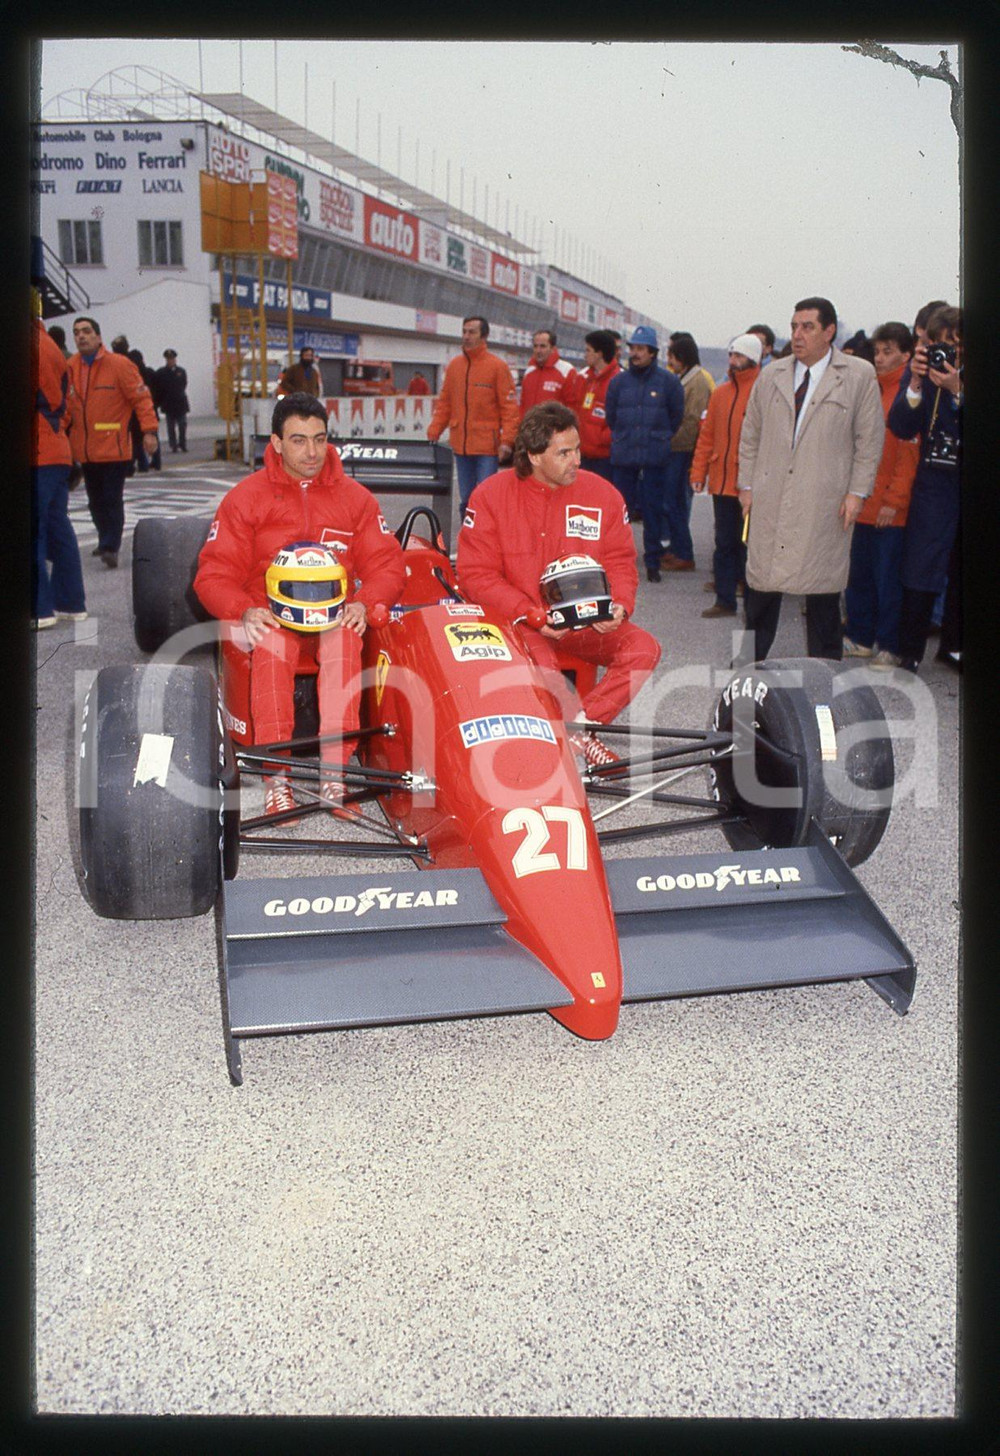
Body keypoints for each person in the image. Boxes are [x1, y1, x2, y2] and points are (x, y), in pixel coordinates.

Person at [193, 393, 406, 817]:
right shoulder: (244, 498)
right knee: (272, 645)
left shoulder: (357, 499)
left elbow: (388, 565)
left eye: (319, 439)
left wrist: (365, 603)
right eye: (298, 440)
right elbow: (212, 575)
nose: (311, 452)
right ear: (275, 443)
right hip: (270, 613)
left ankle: (334, 775)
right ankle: (279, 777)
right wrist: (244, 610)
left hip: (335, 613)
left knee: (346, 640)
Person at [456, 402, 661, 769]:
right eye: (564, 452)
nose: (577, 460)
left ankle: (580, 729)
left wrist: (619, 605)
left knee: (643, 648)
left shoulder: (604, 495)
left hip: (586, 622)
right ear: (534, 456)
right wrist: (530, 613)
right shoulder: (490, 495)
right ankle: (576, 738)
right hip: (522, 624)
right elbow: (475, 575)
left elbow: (620, 561)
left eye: (577, 449)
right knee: (545, 667)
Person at [737, 296, 884, 661]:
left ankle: (825, 684)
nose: (798, 335)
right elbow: (750, 434)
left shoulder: (858, 375)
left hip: (824, 504)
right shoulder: (771, 374)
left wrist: (857, 493)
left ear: (829, 331)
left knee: (822, 601)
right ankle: (743, 675)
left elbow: (870, 440)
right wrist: (747, 486)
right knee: (759, 596)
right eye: (794, 327)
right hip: (771, 500)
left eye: (808, 327)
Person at [887, 305, 963, 675]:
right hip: (934, 480)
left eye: (953, 345)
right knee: (921, 567)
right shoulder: (920, 373)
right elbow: (900, 425)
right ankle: (910, 650)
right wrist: (916, 385)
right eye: (939, 345)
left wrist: (958, 389)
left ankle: (955, 647)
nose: (946, 354)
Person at [842, 322, 919, 668]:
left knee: (888, 580)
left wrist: (895, 501)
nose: (881, 358)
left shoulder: (908, 394)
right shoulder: (870, 388)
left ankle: (889, 644)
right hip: (864, 501)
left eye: (889, 351)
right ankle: (860, 637)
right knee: (859, 575)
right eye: (877, 351)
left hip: (890, 507)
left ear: (906, 354)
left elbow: (908, 453)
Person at [68, 316, 159, 569]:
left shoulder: (119, 365)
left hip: (114, 449)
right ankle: (103, 539)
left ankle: (110, 545)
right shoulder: (71, 367)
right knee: (95, 501)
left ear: (98, 337)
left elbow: (141, 399)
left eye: (86, 331)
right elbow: (66, 407)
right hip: (85, 451)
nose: (81, 337)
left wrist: (150, 431)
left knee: (111, 498)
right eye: (76, 333)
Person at [604, 325, 685, 582]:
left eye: (640, 349)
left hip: (654, 455)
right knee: (619, 511)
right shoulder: (618, 382)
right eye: (632, 348)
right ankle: (617, 562)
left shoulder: (668, 382)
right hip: (625, 454)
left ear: (652, 352)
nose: (635, 353)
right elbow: (611, 417)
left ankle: (652, 562)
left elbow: (676, 416)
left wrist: (658, 437)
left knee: (653, 510)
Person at [690, 333, 762, 619]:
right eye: (731, 355)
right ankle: (724, 599)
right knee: (724, 543)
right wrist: (698, 472)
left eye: (739, 356)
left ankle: (752, 601)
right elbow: (706, 436)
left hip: (751, 485)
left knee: (749, 546)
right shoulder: (720, 393)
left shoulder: (763, 392)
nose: (733, 361)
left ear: (753, 358)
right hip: (722, 482)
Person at [427, 316, 520, 511]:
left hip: (488, 447)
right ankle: (467, 538)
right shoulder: (454, 367)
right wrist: (434, 431)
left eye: (472, 332)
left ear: (483, 335)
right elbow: (445, 403)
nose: (466, 336)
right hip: (461, 446)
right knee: (466, 498)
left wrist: (507, 441)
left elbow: (509, 408)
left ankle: (489, 537)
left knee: (487, 497)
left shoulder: (497, 367)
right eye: (464, 331)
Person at [32, 315, 86, 628]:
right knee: (57, 526)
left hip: (37, 451)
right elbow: (69, 407)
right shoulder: (52, 347)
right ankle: (69, 602)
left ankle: (38, 608)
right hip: (55, 448)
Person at [660, 333, 714, 572]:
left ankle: (684, 552)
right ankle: (677, 548)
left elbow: (692, 420)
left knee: (677, 502)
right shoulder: (684, 377)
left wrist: (668, 439)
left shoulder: (699, 381)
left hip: (683, 449)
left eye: (672, 355)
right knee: (670, 501)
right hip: (676, 447)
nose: (669, 360)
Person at [574, 330, 621, 482]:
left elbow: (620, 419)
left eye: (588, 350)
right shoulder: (585, 378)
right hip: (583, 453)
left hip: (604, 457)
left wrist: (601, 439)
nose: (585, 354)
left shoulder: (619, 380)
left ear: (599, 353)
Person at [519, 329, 577, 416]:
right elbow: (522, 405)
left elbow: (573, 408)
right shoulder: (529, 372)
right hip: (529, 428)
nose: (538, 351)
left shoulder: (567, 371)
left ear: (553, 349)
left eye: (543, 346)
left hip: (554, 428)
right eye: (535, 346)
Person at [127, 349, 162, 473]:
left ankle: (142, 464)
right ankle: (156, 462)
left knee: (137, 441)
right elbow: (158, 391)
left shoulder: (132, 375)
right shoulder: (150, 373)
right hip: (151, 410)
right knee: (153, 437)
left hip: (137, 413)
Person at [153, 349, 190, 452]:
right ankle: (173, 445)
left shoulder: (181, 371)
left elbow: (184, 384)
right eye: (169, 359)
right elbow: (159, 387)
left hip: (180, 403)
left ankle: (182, 443)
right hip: (169, 403)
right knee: (171, 427)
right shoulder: (161, 373)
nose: (171, 361)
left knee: (182, 425)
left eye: (172, 359)